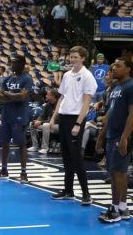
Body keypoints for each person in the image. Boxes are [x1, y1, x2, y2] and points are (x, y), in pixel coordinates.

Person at [50, 46, 97, 205]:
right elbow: (61, 97)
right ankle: (68, 190)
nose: (73, 60)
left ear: (83, 58)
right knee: (66, 156)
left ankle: (86, 193)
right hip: (63, 118)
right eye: (71, 57)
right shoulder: (67, 75)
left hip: (75, 119)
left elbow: (86, 102)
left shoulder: (87, 76)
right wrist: (53, 117)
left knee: (76, 157)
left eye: (76, 57)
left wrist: (78, 123)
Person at [95, 58, 133, 223]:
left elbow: (132, 114)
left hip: (122, 136)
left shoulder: (131, 86)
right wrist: (101, 136)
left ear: (128, 69)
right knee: (117, 172)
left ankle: (115, 209)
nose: (114, 69)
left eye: (118, 66)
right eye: (113, 67)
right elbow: (110, 114)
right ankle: (123, 207)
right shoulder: (116, 88)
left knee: (118, 173)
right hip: (112, 134)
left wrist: (125, 137)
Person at [0, 56, 33, 183]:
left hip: (20, 115)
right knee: (4, 143)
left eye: (14, 63)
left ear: (22, 64)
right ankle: (4, 170)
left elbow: (23, 97)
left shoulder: (27, 79)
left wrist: (8, 94)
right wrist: (14, 96)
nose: (12, 65)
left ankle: (23, 173)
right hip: (7, 114)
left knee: (21, 144)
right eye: (11, 63)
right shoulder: (8, 78)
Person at [28, 88, 60, 154]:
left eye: (48, 95)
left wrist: (41, 122)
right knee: (32, 124)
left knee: (46, 125)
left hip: (59, 126)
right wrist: (37, 120)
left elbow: (57, 120)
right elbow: (42, 116)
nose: (46, 96)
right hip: (49, 124)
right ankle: (35, 146)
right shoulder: (48, 105)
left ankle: (45, 148)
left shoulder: (60, 105)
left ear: (53, 96)